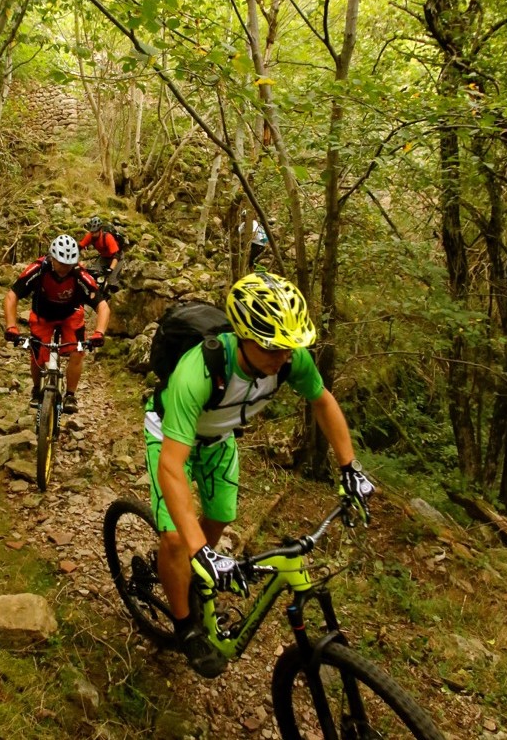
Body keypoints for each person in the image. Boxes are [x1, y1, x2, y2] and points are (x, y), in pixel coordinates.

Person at [143, 272, 374, 678]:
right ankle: (184, 627)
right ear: (244, 335)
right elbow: (172, 467)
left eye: (289, 348)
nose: (283, 358)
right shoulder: (197, 371)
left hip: (219, 437)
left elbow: (323, 401)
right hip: (171, 437)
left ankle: (196, 574)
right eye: (274, 348)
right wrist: (199, 550)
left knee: (220, 516)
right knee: (179, 539)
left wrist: (349, 466)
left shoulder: (288, 360)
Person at [4, 234, 110, 414]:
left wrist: (99, 332)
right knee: (37, 354)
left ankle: (70, 395)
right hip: (43, 315)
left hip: (70, 315)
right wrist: (11, 326)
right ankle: (37, 389)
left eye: (69, 264)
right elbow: (12, 296)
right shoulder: (38, 269)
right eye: (61, 263)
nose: (64, 269)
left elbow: (102, 306)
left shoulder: (79, 274)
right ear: (52, 257)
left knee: (78, 352)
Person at [79, 216, 123, 294]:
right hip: (104, 257)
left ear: (100, 230)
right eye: (92, 232)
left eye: (95, 232)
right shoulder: (90, 236)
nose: (93, 234)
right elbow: (80, 246)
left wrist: (111, 269)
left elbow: (116, 255)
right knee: (95, 274)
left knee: (112, 281)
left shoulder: (107, 237)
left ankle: (114, 296)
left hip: (116, 258)